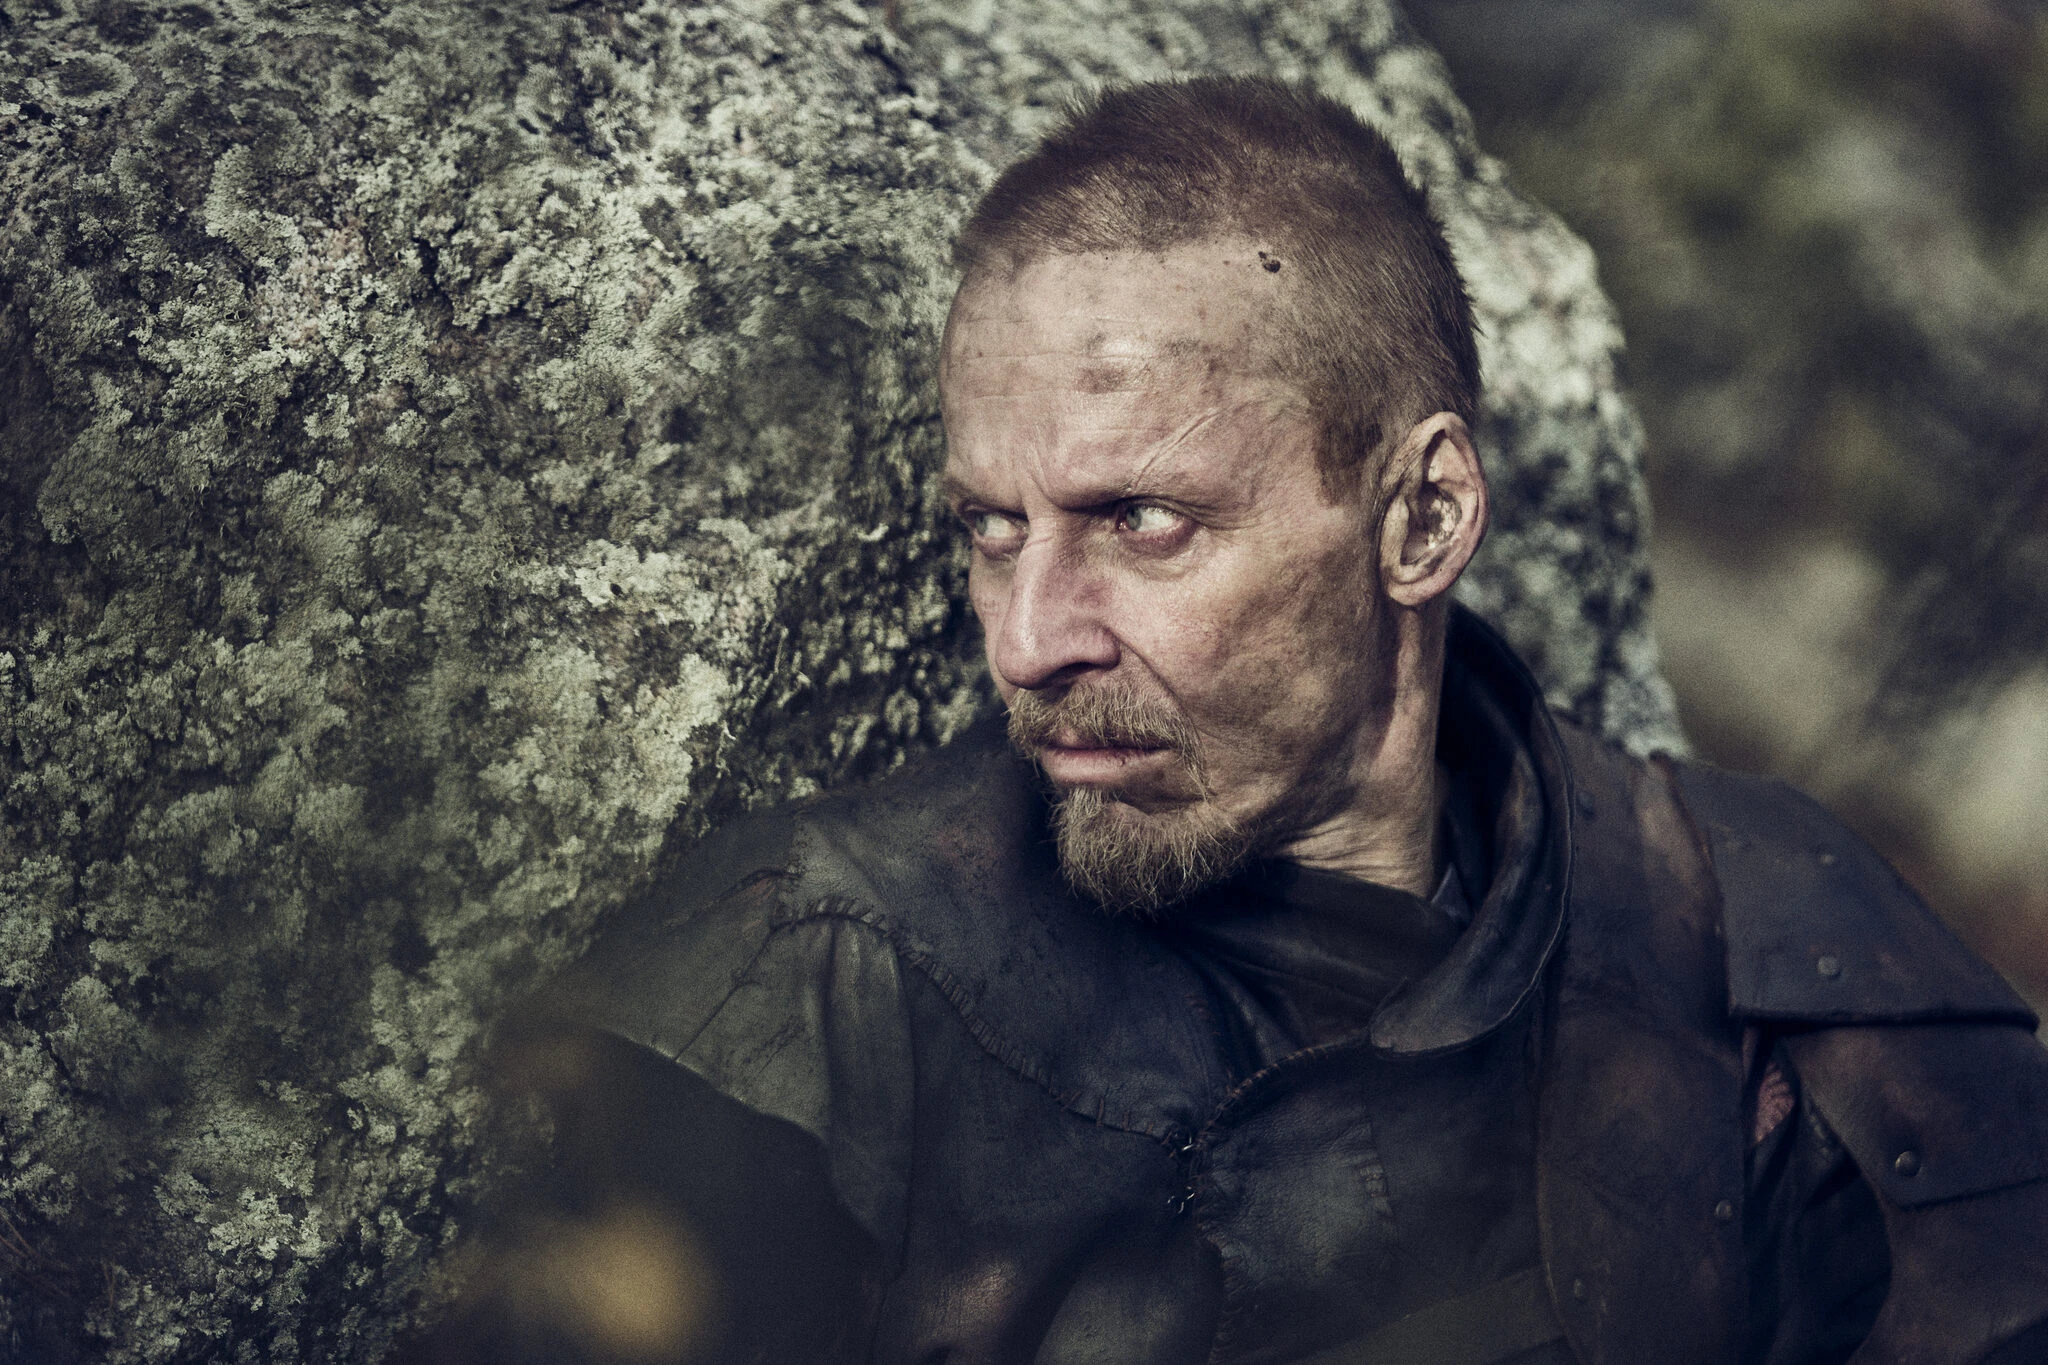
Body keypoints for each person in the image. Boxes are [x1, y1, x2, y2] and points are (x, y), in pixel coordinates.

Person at [423, 77, 2048, 1365]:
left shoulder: (1773, 959)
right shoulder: (809, 1001)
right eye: (991, 526)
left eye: (1142, 521)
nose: (1031, 641)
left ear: (1421, 519)